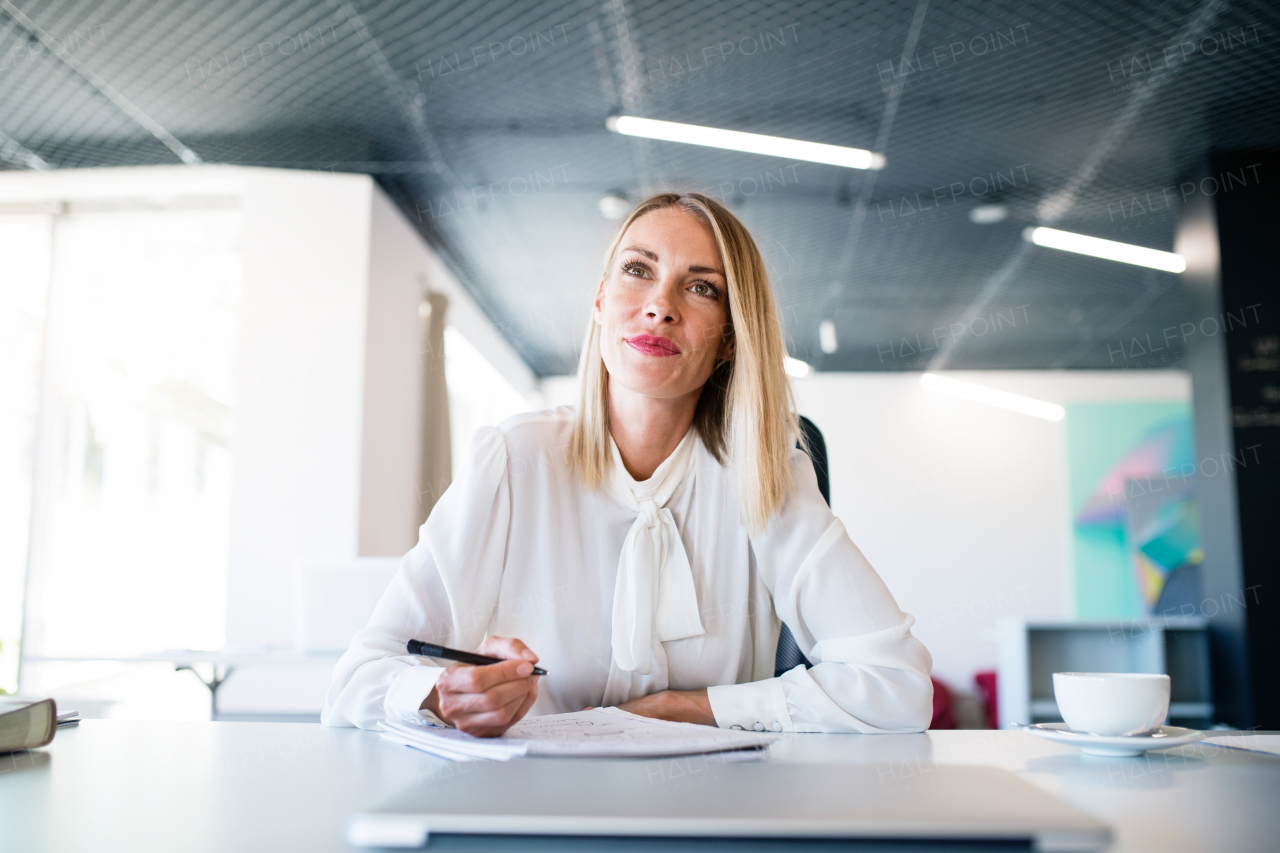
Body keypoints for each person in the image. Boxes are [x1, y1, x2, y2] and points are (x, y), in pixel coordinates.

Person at [322, 192, 933, 737]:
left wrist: (685, 707)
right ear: (600, 301)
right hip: (539, 815)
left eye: (701, 287)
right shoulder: (513, 460)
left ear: (727, 341)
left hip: (716, 816)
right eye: (638, 271)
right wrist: (440, 692)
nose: (660, 305)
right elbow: (356, 681)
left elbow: (898, 688)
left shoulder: (768, 473)